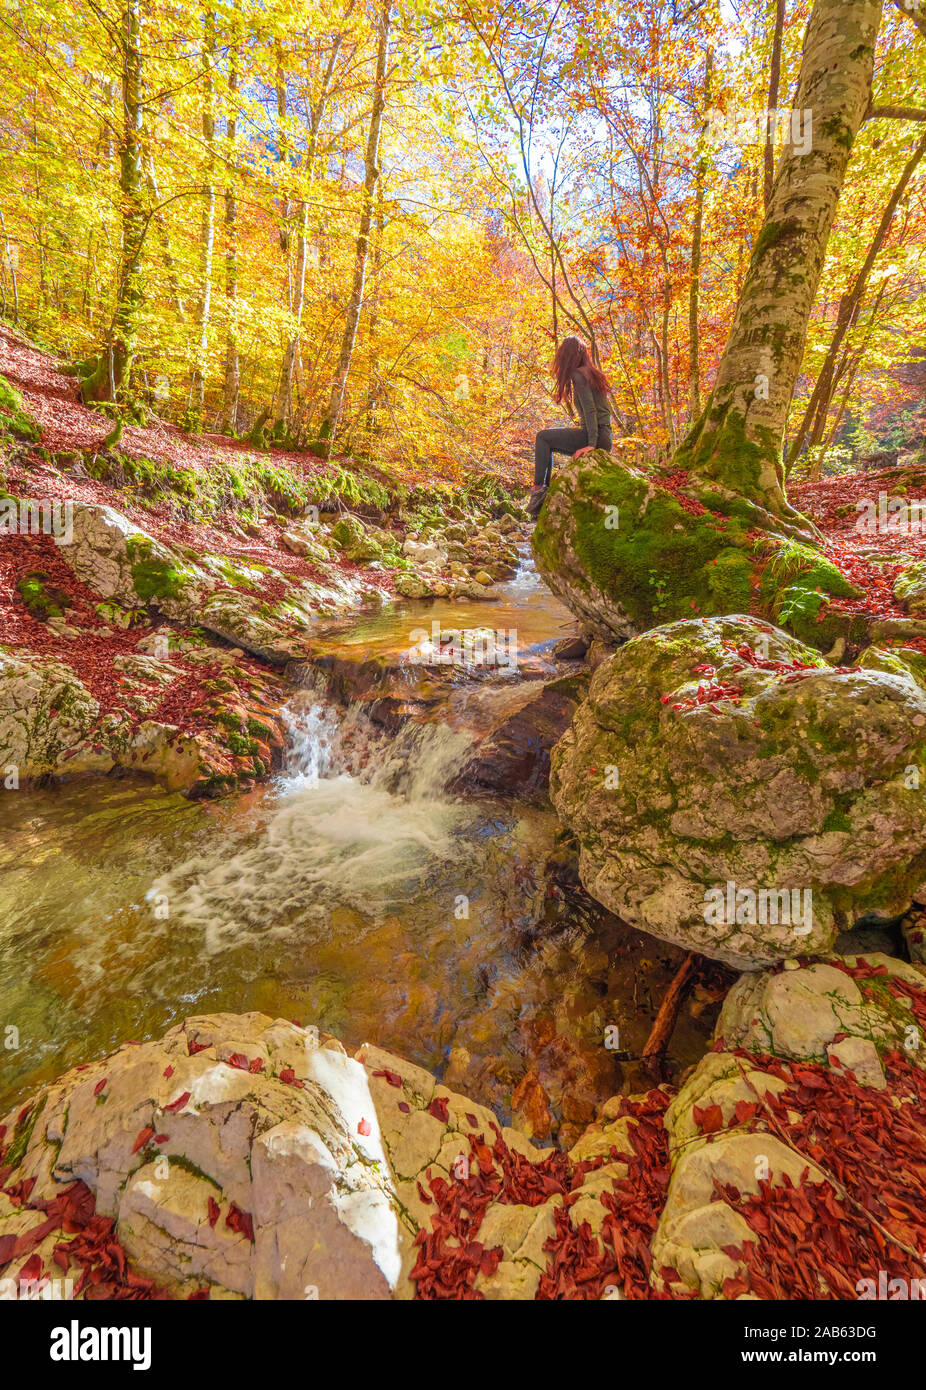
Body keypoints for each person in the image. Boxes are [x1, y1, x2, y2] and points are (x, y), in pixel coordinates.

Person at [528, 337, 613, 518]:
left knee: (543, 437)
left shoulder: (578, 375)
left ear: (566, 356)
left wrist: (591, 444)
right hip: (605, 435)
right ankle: (543, 492)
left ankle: (538, 491)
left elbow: (590, 411)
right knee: (547, 442)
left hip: (596, 435)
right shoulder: (591, 373)